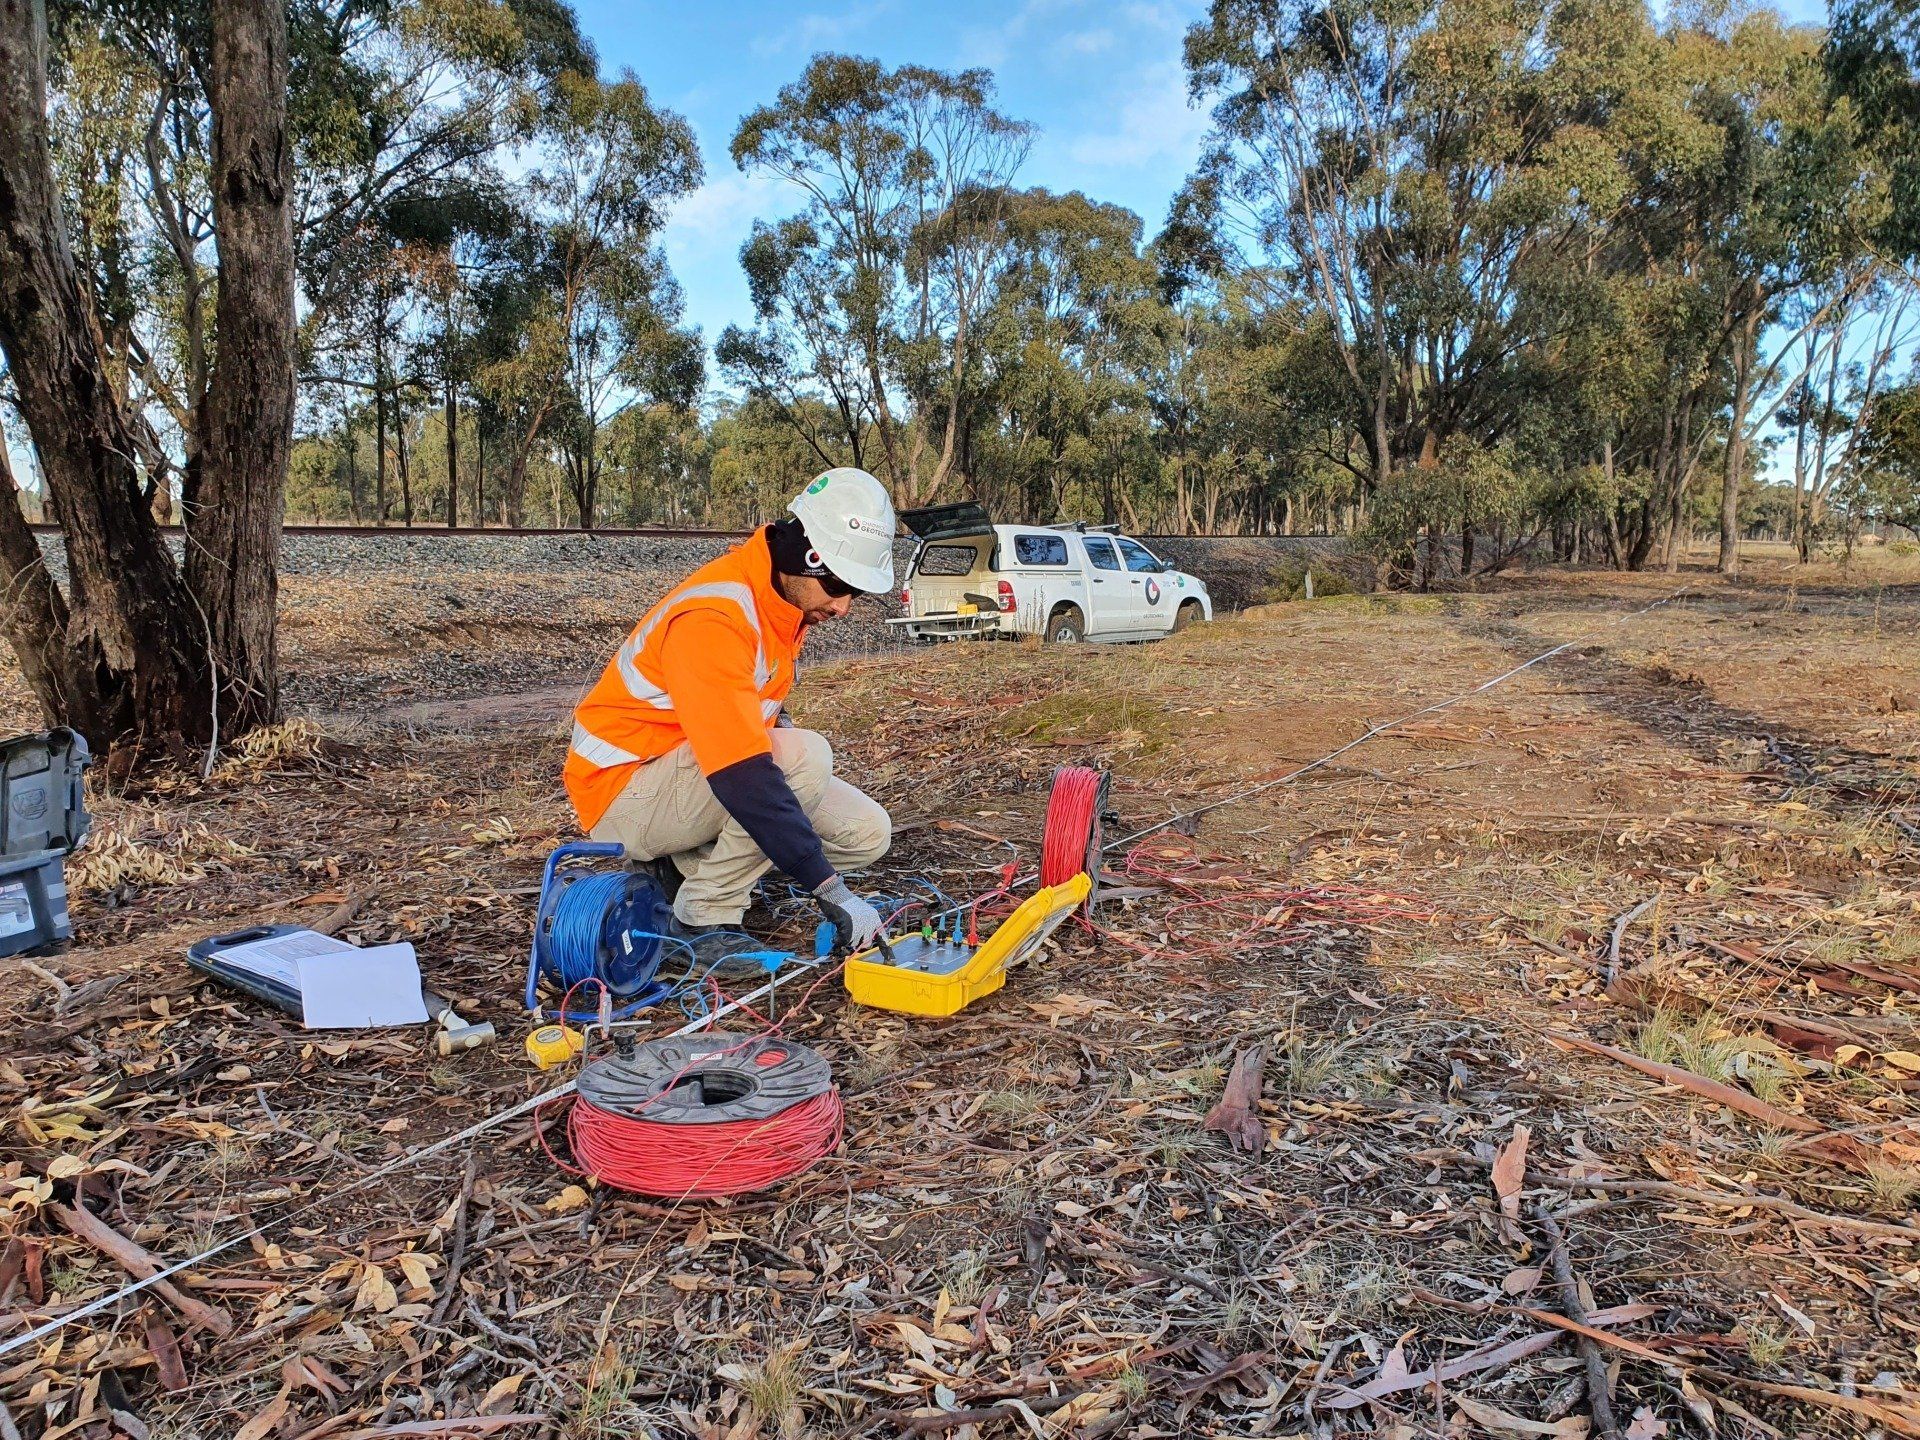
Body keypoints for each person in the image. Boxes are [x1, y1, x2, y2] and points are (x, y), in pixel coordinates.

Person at [564, 468, 895, 955]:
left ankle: (680, 866)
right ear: (806, 557)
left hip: (686, 777)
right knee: (805, 757)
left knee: (867, 833)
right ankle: (703, 921)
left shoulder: (782, 603)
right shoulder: (715, 620)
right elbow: (745, 775)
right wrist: (832, 893)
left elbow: (751, 723)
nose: (845, 607)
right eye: (840, 586)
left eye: (857, 593)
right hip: (623, 793)